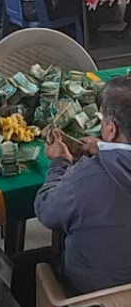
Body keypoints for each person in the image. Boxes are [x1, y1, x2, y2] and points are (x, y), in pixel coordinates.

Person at [35, 75, 131, 296]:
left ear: (111, 129)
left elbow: (46, 211)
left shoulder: (87, 177)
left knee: (24, 273)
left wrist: (60, 163)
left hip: (93, 295)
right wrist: (106, 147)